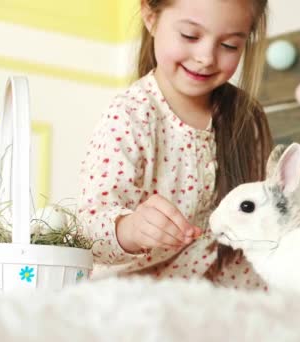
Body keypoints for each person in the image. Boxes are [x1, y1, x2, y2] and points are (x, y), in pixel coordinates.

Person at [77, 0, 272, 290]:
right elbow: (87, 232)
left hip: (224, 302)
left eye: (229, 45)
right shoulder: (131, 115)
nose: (206, 57)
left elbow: (258, 230)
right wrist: (128, 229)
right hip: (133, 296)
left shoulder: (247, 119)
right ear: (150, 16)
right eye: (190, 36)